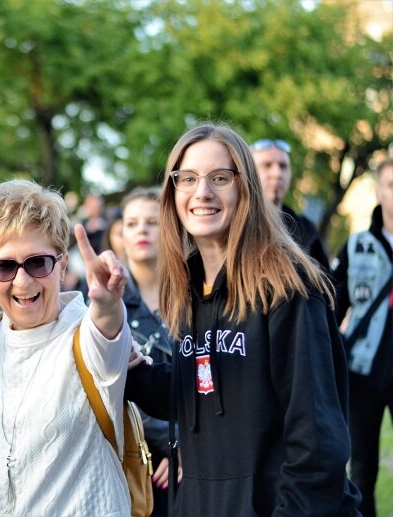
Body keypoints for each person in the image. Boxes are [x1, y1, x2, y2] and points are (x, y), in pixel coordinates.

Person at [126, 123, 360, 516]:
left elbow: (317, 442)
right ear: (173, 192)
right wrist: (129, 367)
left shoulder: (287, 287)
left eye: (220, 177)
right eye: (188, 179)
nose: (202, 192)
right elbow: (207, 389)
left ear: (246, 187)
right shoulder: (188, 289)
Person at [0, 180, 133, 515]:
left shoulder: (85, 334)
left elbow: (106, 334)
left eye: (38, 263)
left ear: (61, 265)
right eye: (3, 266)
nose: (22, 282)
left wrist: (109, 305)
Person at [332, 156, 393, 517]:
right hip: (364, 371)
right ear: (379, 190)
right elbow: (331, 309)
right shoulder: (356, 247)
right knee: (363, 466)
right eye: (391, 185)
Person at [120, 186, 176, 516]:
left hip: (191, 460)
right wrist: (170, 440)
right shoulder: (106, 304)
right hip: (131, 455)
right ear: (121, 235)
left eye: (152, 222)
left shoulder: (194, 301)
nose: (141, 229)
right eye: (132, 223)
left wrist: (185, 446)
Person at [250, 138, 331, 270]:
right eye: (267, 165)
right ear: (249, 172)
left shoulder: (306, 230)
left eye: (283, 166)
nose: (277, 174)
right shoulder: (235, 226)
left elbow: (327, 285)